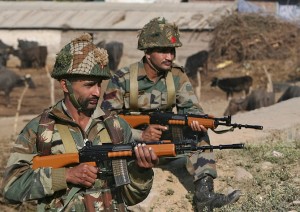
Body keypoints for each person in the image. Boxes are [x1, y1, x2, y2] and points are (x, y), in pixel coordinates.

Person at [1, 33, 158, 211]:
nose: (97, 92)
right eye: (89, 85)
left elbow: (131, 197)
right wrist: (66, 175)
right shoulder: (40, 129)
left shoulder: (116, 127)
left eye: (99, 84)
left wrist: (141, 171)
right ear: (65, 85)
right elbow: (11, 188)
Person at [101, 17, 240, 211]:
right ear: (148, 53)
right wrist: (141, 135)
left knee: (199, 134)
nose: (170, 57)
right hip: (131, 145)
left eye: (172, 51)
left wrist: (195, 120)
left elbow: (191, 106)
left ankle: (204, 194)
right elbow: (107, 122)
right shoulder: (122, 79)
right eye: (163, 51)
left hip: (164, 140)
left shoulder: (176, 75)